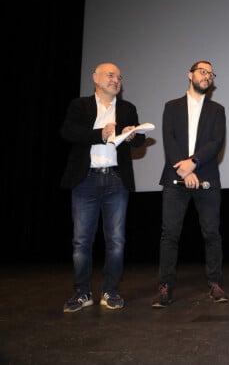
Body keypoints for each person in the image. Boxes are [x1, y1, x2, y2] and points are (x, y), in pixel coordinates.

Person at [60, 62, 146, 312]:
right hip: (85, 180)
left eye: (119, 77)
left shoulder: (128, 108)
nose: (116, 80)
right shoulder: (80, 105)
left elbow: (140, 139)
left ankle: (111, 291)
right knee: (81, 241)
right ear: (95, 78)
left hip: (116, 181)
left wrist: (132, 135)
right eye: (111, 75)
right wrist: (100, 133)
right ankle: (82, 292)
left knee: (116, 240)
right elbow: (68, 132)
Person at [152, 60, 228, 308]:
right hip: (175, 180)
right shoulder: (171, 107)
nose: (207, 76)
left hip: (206, 179)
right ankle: (165, 287)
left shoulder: (217, 109)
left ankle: (215, 284)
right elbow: (169, 139)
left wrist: (193, 163)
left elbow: (216, 142)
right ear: (190, 75)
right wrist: (184, 170)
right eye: (202, 71)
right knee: (170, 235)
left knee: (212, 234)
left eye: (211, 74)